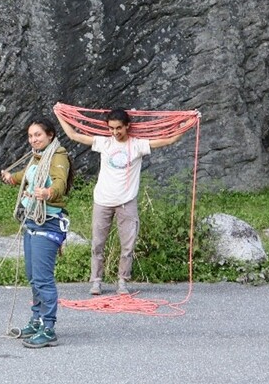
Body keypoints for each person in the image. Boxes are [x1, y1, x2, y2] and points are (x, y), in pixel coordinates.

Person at [54, 106, 190, 295]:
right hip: (102, 200)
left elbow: (169, 139)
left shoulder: (137, 145)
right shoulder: (104, 143)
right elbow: (73, 135)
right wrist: (59, 113)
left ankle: (122, 281)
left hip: (127, 201)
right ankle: (96, 281)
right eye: (111, 128)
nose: (115, 132)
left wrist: (189, 122)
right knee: (97, 244)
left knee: (128, 245)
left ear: (127, 126)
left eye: (118, 128)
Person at [1, 117, 72, 349]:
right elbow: (27, 174)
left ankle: (48, 328)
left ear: (50, 135)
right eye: (31, 136)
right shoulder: (37, 157)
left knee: (43, 279)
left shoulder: (58, 156)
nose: (33, 139)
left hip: (48, 223)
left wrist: (48, 193)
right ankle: (37, 320)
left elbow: (60, 182)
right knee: (33, 277)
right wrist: (12, 178)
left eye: (38, 135)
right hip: (32, 221)